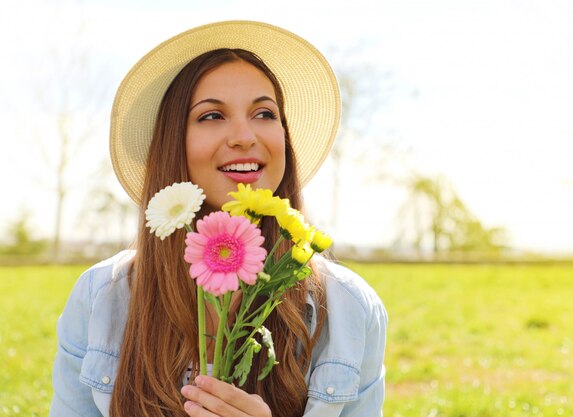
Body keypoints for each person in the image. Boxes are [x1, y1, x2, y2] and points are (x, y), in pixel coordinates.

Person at [50, 21, 387, 417]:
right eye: (211, 116)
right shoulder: (101, 299)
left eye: (264, 113)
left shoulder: (349, 309)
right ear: (174, 141)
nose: (244, 136)